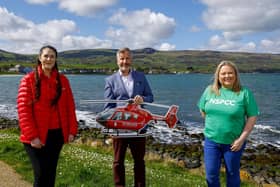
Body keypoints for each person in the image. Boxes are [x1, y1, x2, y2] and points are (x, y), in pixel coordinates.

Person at [17, 45, 78, 187]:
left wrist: (72, 130)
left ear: (56, 59)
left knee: (50, 174)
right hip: (36, 136)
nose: (49, 59)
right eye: (46, 56)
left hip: (56, 135)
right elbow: (23, 110)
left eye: (52, 56)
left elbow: (70, 107)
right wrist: (32, 136)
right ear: (40, 58)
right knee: (41, 174)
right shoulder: (28, 80)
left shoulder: (63, 80)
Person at [197, 60, 259, 187]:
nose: (227, 76)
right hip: (211, 141)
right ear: (218, 76)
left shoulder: (244, 93)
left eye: (230, 73)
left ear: (236, 75)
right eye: (223, 73)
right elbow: (202, 108)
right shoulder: (209, 90)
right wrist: (215, 123)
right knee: (211, 175)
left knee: (232, 174)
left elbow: (252, 116)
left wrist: (241, 139)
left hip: (233, 143)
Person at [104, 47, 154, 187]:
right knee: (118, 161)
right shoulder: (110, 80)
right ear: (117, 60)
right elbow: (108, 107)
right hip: (119, 128)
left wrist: (142, 99)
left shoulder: (141, 77)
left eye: (127, 58)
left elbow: (151, 97)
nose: (124, 61)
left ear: (131, 60)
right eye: (122, 59)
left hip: (139, 127)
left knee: (139, 161)